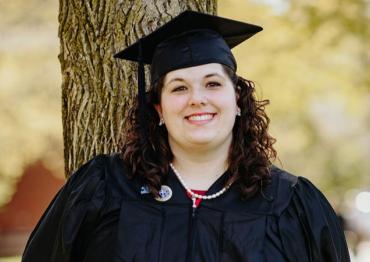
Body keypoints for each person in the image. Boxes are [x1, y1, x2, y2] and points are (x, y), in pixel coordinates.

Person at [22, 10, 350, 262]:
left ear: (237, 101)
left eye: (212, 83)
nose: (197, 98)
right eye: (179, 87)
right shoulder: (103, 189)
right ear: (159, 110)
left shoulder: (290, 203)